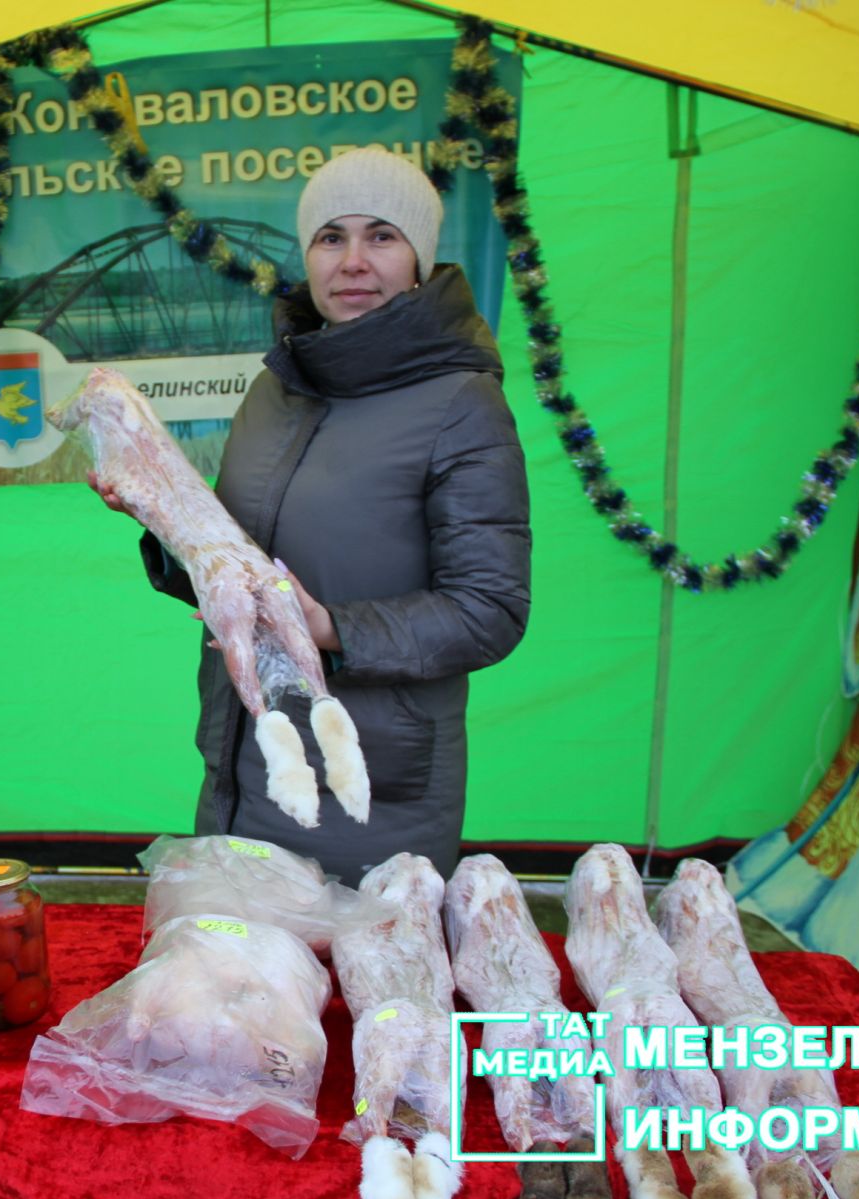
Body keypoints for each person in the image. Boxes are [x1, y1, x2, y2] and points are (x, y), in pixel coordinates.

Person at [93, 148, 531, 882]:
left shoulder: (462, 403)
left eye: (381, 236)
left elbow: (490, 610)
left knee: (366, 990)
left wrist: (328, 628)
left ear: (420, 258)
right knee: (243, 987)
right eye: (331, 237)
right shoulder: (276, 389)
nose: (353, 261)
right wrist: (163, 519)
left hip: (366, 779)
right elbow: (238, 560)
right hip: (245, 756)